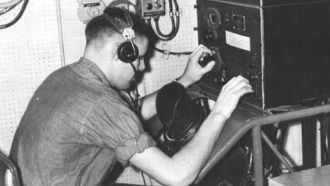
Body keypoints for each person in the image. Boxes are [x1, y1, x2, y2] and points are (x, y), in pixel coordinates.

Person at [9, 6, 252, 186]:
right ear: (122, 53)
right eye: (140, 58)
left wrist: (185, 79)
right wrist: (220, 112)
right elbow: (178, 176)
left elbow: (130, 114)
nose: (143, 67)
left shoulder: (66, 78)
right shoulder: (100, 104)